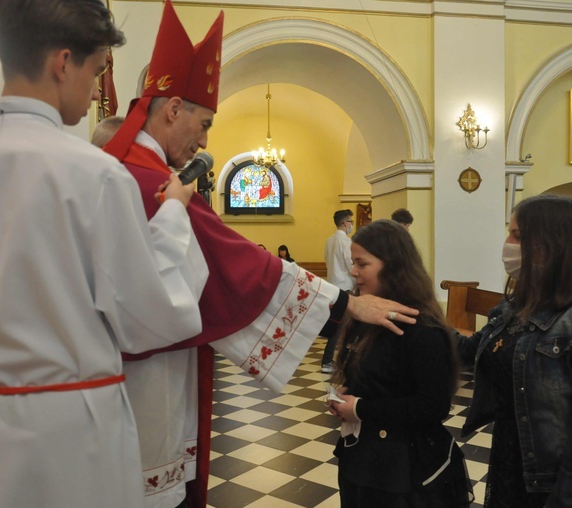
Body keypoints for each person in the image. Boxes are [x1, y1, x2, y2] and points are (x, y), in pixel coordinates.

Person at [0, 1, 208, 507]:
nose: (95, 90)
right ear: (64, 63)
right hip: (76, 434)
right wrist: (171, 217)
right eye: (98, 70)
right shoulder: (95, 175)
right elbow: (149, 319)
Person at [102, 2, 419, 507]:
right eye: (203, 124)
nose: (204, 140)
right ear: (172, 109)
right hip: (144, 380)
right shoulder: (149, 180)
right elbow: (236, 262)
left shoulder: (125, 168)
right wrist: (346, 305)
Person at [458, 195, 572, 507]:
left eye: (518, 236)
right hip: (517, 464)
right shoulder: (517, 305)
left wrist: (567, 501)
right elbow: (472, 351)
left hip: (566, 485)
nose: (507, 244)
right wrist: (414, 313)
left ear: (552, 244)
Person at [327, 220, 473, 507]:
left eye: (362, 263)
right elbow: (376, 378)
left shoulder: (423, 330)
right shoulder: (367, 318)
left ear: (393, 266)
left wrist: (359, 408)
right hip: (364, 459)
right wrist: (345, 393)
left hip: (406, 470)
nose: (353, 272)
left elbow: (432, 405)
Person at [322, 209, 356, 373]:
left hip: (333, 286)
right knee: (343, 325)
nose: (352, 225)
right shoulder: (346, 242)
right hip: (345, 287)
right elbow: (350, 265)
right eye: (351, 222)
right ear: (345, 223)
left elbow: (328, 262)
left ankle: (336, 359)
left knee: (339, 324)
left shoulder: (329, 240)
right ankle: (329, 360)